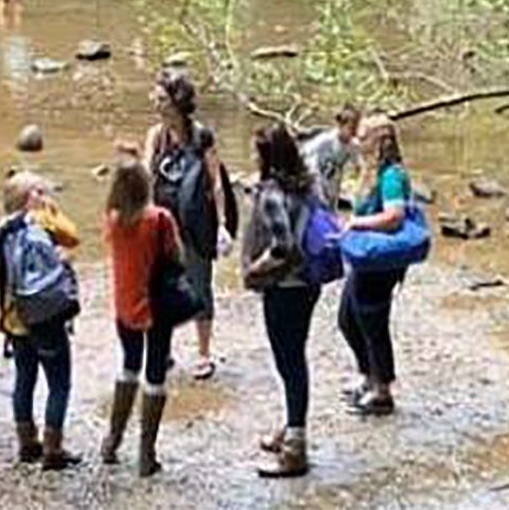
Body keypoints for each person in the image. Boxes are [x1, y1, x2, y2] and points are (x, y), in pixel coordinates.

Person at [0, 172, 82, 470]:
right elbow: (73, 237)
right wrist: (50, 214)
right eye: (40, 191)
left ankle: (27, 443)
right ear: (31, 198)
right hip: (45, 317)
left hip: (15, 318)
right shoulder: (41, 226)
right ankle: (53, 448)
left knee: (24, 378)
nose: (46, 195)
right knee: (59, 382)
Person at [142, 69, 234, 380]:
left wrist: (222, 225)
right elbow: (146, 177)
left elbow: (216, 182)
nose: (156, 104)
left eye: (162, 98)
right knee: (158, 288)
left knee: (199, 287)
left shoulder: (201, 136)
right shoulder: (156, 136)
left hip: (195, 226)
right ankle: (162, 350)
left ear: (178, 101)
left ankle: (204, 352)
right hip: (161, 228)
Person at [242, 124, 322, 478]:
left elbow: (282, 247)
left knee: (289, 362)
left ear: (268, 157)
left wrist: (254, 271)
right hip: (307, 284)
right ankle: (291, 427)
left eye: (256, 152)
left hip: (286, 287)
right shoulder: (306, 186)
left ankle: (295, 450)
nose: (252, 158)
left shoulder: (273, 193)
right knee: (295, 358)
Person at [100, 155, 181, 477]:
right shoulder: (160, 219)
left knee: (128, 365)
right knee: (156, 373)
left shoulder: (113, 219)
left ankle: (112, 441)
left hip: (125, 303)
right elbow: (176, 257)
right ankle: (146, 454)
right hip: (158, 305)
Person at [339, 113, 410, 417]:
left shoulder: (392, 176)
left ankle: (383, 391)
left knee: (372, 320)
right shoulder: (372, 173)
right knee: (348, 319)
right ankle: (368, 377)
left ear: (380, 141)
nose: (358, 141)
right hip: (367, 257)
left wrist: (358, 223)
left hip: (383, 260)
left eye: (364, 136)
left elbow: (395, 216)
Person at [300, 104, 362, 208]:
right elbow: (304, 153)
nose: (353, 133)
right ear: (340, 125)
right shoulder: (325, 140)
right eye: (350, 128)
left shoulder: (352, 146)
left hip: (333, 187)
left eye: (356, 129)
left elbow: (359, 166)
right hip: (317, 183)